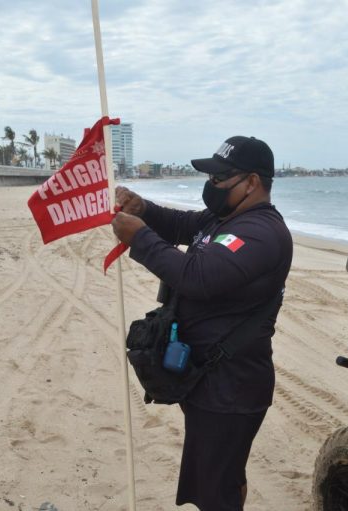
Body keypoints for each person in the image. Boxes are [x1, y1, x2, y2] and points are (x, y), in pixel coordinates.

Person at [112, 136, 293, 510]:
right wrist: (143, 208)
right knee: (220, 476)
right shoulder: (224, 218)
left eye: (219, 178)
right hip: (207, 380)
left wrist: (139, 239)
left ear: (252, 183)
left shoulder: (261, 233)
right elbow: (180, 224)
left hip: (233, 388)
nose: (211, 186)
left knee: (217, 491)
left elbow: (198, 275)